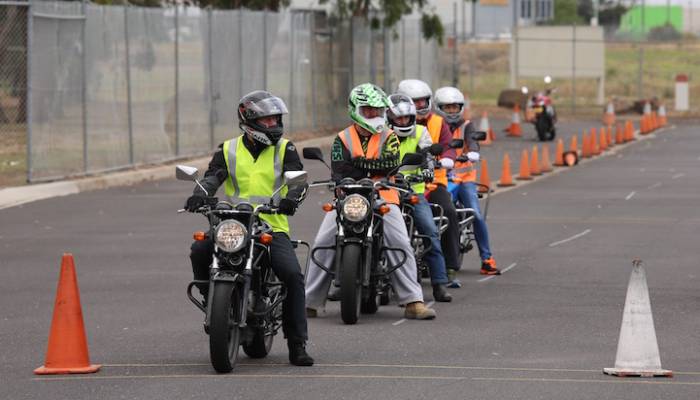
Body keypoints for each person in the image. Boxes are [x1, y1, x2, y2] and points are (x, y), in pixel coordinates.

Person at [184, 90, 314, 366]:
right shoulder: (228, 148)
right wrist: (201, 194)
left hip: (271, 225)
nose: (274, 125)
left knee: (292, 274)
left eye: (276, 119)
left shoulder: (285, 148)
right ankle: (213, 303)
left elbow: (298, 181)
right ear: (250, 121)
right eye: (267, 121)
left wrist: (291, 199)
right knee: (199, 249)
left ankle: (297, 343)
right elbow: (212, 177)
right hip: (232, 223)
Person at [305, 83, 437, 320]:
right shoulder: (342, 138)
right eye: (368, 110)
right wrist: (363, 169)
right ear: (355, 109)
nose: (374, 115)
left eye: (377, 110)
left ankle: (413, 301)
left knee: (400, 241)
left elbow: (389, 165)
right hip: (347, 196)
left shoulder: (391, 137)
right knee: (322, 242)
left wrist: (357, 165)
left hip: (384, 195)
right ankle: (310, 302)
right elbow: (339, 169)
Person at [396, 79, 463, 287]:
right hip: (394, 185)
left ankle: (448, 269)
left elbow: (446, 145)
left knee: (448, 213)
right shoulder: (389, 124)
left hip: (432, 182)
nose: (419, 106)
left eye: (423, 101)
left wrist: (448, 158)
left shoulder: (437, 122)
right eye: (414, 102)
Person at [386, 93, 452, 302]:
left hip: (413, 191)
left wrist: (427, 170)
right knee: (363, 226)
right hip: (387, 190)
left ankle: (439, 283)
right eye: (399, 118)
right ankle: (343, 283)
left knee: (430, 232)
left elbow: (428, 157)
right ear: (390, 117)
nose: (403, 122)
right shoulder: (383, 134)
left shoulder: (422, 132)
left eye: (407, 118)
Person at [434, 86, 499, 275]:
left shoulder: (467, 125)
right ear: (439, 107)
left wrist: (473, 152)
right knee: (439, 215)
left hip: (465, 179)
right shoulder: (435, 126)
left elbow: (473, 141)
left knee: (476, 214)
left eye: (455, 107)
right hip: (443, 177)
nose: (452, 111)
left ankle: (487, 258)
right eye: (448, 108)